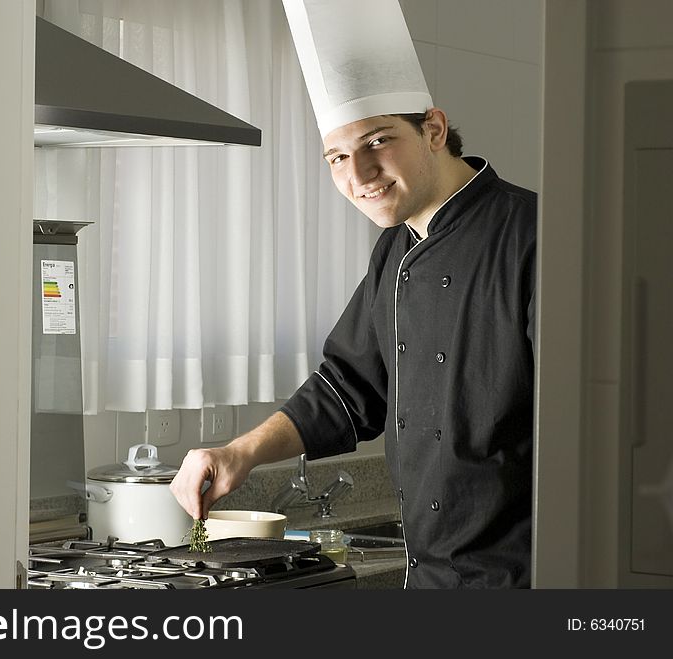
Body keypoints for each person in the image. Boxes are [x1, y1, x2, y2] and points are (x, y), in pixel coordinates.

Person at [170, 0, 536, 589]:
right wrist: (240, 452)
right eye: (338, 157)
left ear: (434, 129)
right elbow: (349, 389)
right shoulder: (395, 249)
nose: (359, 174)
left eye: (378, 142)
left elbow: (586, 426)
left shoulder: (537, 238)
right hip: (432, 580)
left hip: (529, 580)